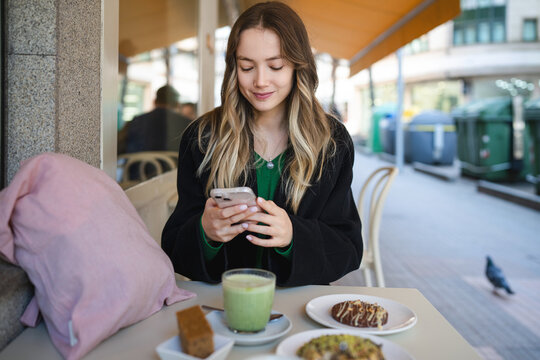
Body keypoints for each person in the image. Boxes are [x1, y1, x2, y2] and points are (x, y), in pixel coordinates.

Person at [162, 1, 362, 286]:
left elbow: (348, 247)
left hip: (300, 307)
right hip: (221, 306)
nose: (260, 81)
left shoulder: (331, 142)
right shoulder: (203, 138)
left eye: (275, 66)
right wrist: (205, 232)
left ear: (297, 66)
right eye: (246, 67)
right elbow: (172, 244)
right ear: (233, 68)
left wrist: (293, 235)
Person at [125, 85, 192, 153]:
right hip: (173, 163)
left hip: (138, 163)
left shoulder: (136, 121)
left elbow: (121, 147)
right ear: (177, 104)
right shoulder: (187, 124)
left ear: (155, 101)